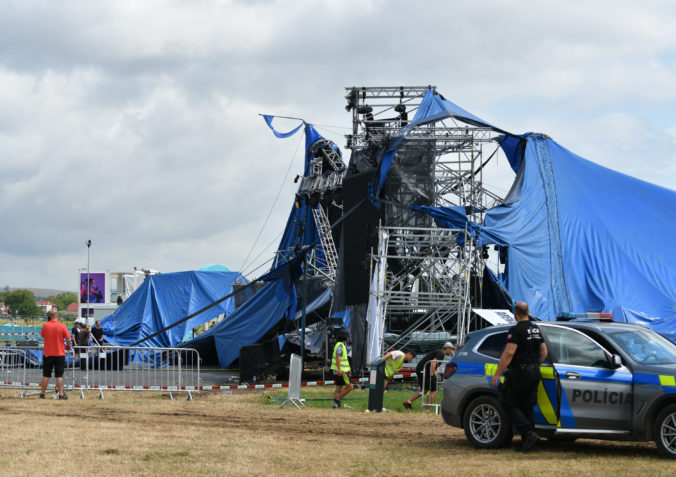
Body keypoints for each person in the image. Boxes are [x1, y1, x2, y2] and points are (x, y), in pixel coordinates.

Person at [490, 301, 548, 453]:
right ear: (528, 312)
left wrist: (497, 374)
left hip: (520, 372)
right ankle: (529, 440)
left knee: (508, 401)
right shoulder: (536, 329)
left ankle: (528, 434)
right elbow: (544, 352)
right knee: (526, 405)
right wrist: (534, 365)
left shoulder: (516, 330)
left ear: (515, 314)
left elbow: (509, 353)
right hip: (535, 371)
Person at [403, 342, 454, 410]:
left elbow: (434, 363)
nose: (452, 351)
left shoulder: (440, 353)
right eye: (451, 349)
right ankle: (427, 409)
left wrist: (435, 372)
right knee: (433, 390)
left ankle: (408, 402)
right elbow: (433, 363)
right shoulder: (440, 353)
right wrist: (432, 374)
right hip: (425, 370)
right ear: (447, 348)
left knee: (424, 390)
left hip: (422, 369)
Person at [40, 310, 71, 400]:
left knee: (46, 375)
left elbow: (43, 336)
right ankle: (61, 394)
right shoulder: (62, 326)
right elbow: (68, 339)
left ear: (50, 316)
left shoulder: (45, 325)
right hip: (59, 353)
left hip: (47, 353)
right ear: (57, 316)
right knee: (59, 375)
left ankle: (42, 394)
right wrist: (68, 346)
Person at [330, 328, 353, 408]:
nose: (348, 337)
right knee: (350, 387)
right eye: (347, 336)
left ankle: (336, 405)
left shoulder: (340, 344)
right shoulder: (340, 345)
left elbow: (344, 359)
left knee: (339, 386)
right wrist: (340, 369)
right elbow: (338, 357)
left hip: (340, 370)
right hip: (341, 370)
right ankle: (337, 400)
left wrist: (349, 369)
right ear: (344, 337)